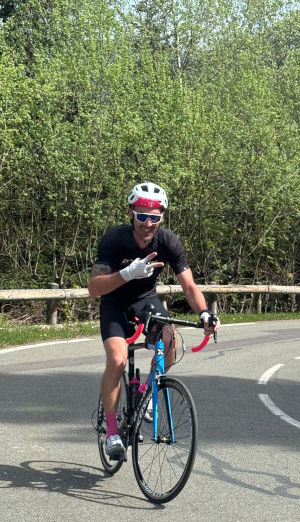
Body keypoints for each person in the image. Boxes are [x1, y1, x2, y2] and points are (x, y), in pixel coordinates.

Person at [88, 181, 219, 458]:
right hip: (114, 302)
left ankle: (147, 393)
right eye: (141, 216)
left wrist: (204, 313)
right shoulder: (115, 239)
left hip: (145, 300)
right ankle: (111, 432)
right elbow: (94, 288)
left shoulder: (169, 241)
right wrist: (127, 273)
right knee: (117, 360)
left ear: (162, 217)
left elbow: (189, 286)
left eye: (154, 217)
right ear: (130, 213)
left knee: (169, 342)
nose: (148, 224)